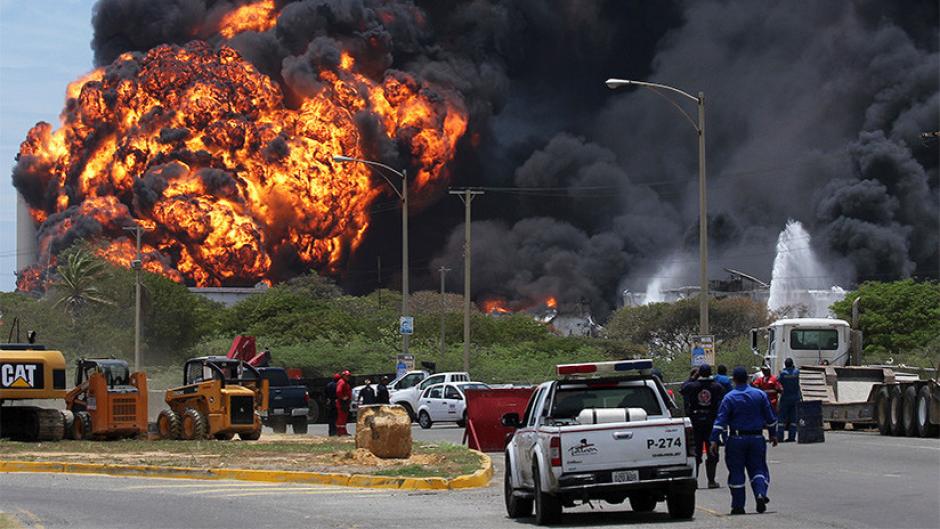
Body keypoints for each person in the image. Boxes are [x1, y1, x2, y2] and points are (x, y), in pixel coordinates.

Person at [710, 366, 778, 515]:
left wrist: (714, 440)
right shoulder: (760, 395)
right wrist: (773, 434)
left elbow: (720, 420)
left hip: (736, 439)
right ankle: (760, 493)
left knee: (736, 471)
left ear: (734, 380)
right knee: (758, 469)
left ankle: (738, 506)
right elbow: (771, 418)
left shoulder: (729, 398)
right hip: (757, 438)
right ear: (747, 379)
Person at [679, 364, 725, 489]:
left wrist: (692, 378)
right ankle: (711, 481)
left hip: (696, 422)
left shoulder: (692, 386)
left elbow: (682, 389)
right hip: (711, 422)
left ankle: (695, 481)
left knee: (696, 453)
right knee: (712, 451)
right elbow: (722, 395)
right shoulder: (716, 386)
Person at [777, 358, 801, 442]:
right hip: (795, 398)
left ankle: (780, 437)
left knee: (781, 418)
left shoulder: (783, 373)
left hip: (785, 398)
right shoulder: (796, 372)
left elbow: (778, 382)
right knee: (793, 419)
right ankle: (792, 437)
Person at [335, 370, 352, 436]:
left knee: (344, 417)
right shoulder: (342, 382)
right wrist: (342, 397)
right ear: (343, 376)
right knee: (341, 417)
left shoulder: (345, 382)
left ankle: (343, 431)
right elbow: (338, 391)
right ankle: (340, 432)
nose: (348, 377)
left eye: (349, 376)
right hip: (342, 403)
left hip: (345, 403)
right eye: (347, 376)